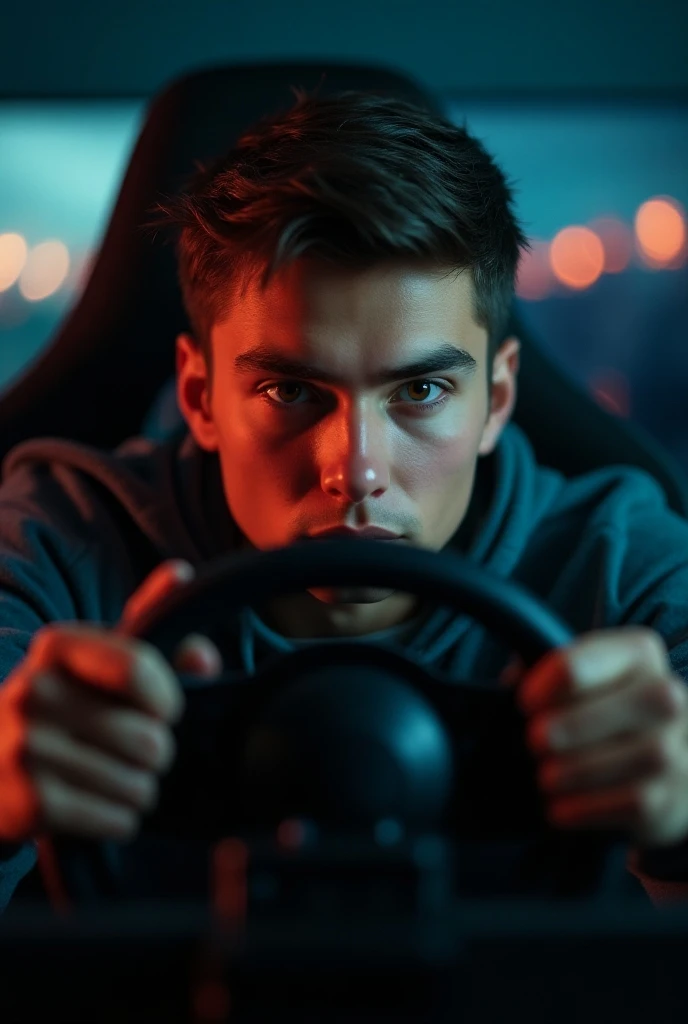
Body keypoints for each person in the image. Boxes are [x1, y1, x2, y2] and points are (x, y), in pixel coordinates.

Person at [1, 88, 688, 913]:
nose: (357, 469)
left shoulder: (620, 561)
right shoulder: (61, 538)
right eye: (291, 390)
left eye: (422, 389)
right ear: (200, 397)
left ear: (498, 399)